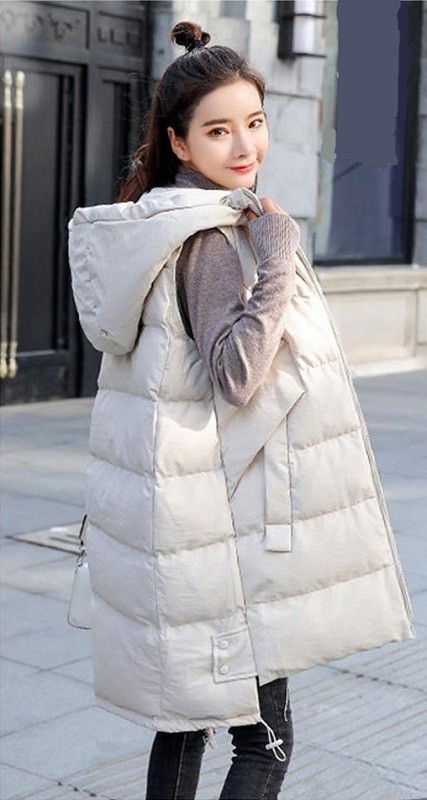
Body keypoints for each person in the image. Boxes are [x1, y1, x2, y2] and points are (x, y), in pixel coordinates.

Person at [68, 21, 415, 800]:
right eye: (218, 130)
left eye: (253, 122)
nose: (243, 145)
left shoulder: (159, 226)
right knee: (264, 743)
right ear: (178, 142)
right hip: (222, 535)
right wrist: (277, 255)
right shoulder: (212, 238)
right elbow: (236, 374)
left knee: (182, 725)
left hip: (182, 521)